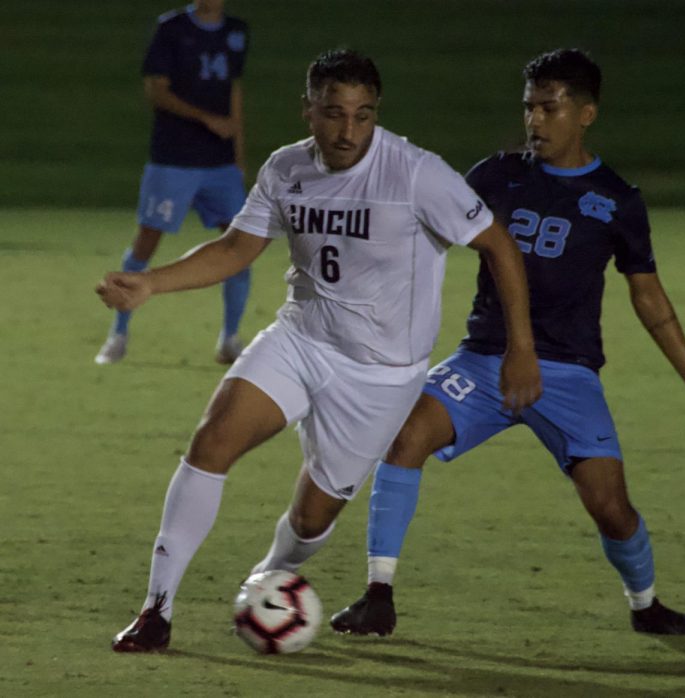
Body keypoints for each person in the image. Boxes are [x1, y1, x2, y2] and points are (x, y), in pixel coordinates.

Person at [98, 49, 542, 653]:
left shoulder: (415, 173)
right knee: (212, 440)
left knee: (312, 519)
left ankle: (269, 573)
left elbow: (499, 245)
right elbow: (236, 247)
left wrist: (521, 346)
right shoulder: (286, 169)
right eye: (334, 114)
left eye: (363, 115)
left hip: (380, 377)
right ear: (309, 111)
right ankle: (157, 609)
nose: (349, 131)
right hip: (301, 340)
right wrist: (152, 283)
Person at [330, 48, 685, 638]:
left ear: (586, 114)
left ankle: (646, 605)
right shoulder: (495, 176)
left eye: (549, 108)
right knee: (404, 437)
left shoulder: (616, 199)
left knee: (611, 509)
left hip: (570, 374)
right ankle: (378, 594)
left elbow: (649, 298)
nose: (534, 120)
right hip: (482, 362)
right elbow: (419, 235)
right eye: (529, 107)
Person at [95, 0, 251, 365]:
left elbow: (234, 91)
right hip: (174, 159)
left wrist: (238, 152)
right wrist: (207, 119)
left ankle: (230, 338)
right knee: (147, 241)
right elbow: (157, 91)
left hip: (220, 163)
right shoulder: (172, 28)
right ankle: (118, 333)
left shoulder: (237, 32)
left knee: (242, 244)